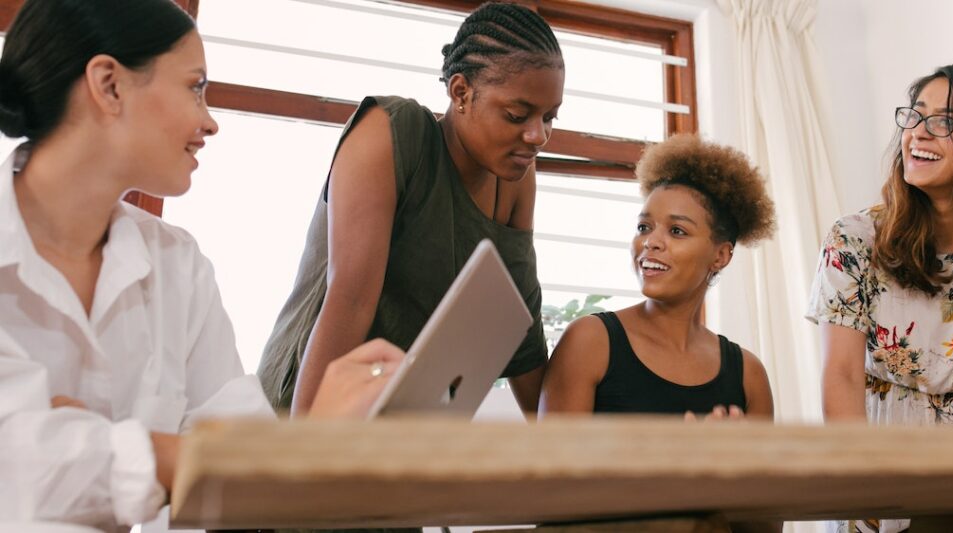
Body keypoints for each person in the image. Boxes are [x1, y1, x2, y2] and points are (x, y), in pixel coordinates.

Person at [0, 1, 403, 531]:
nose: (209, 121)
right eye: (195, 87)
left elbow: (240, 470)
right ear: (109, 85)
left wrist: (296, 450)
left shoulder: (178, 264)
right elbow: (23, 464)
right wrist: (186, 458)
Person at [257, 1, 564, 416]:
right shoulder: (391, 130)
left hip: (405, 419)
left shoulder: (516, 177)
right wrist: (307, 448)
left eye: (550, 117)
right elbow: (350, 299)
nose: (538, 135)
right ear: (461, 92)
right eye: (517, 114)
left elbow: (522, 329)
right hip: (307, 407)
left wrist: (567, 446)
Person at [807, 63, 953, 532]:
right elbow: (839, 375)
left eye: (945, 122)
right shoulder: (855, 239)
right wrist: (865, 487)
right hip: (874, 455)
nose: (918, 134)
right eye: (914, 116)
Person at [539, 134, 776, 420]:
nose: (651, 241)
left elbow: (762, 467)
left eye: (677, 231)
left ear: (721, 256)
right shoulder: (590, 342)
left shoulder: (749, 376)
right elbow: (551, 463)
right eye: (644, 227)